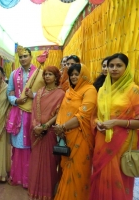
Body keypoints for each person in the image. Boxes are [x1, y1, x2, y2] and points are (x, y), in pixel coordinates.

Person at [90, 53, 139, 200]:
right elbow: (95, 115)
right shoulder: (103, 90)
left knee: (119, 177)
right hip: (102, 139)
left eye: (119, 65)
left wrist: (116, 122)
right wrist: (97, 122)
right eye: (111, 65)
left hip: (122, 142)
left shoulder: (134, 90)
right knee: (101, 175)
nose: (114, 69)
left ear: (126, 67)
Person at [53, 64, 97, 200]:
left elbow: (83, 116)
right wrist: (59, 128)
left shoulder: (90, 90)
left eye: (77, 74)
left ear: (84, 74)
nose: (73, 77)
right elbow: (61, 111)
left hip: (81, 137)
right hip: (65, 137)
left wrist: (62, 127)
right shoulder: (69, 91)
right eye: (71, 74)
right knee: (66, 170)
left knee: (78, 171)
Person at [6, 45, 44, 188]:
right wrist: (15, 100)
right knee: (18, 145)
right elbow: (9, 91)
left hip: (34, 114)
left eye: (25, 56)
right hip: (18, 113)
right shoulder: (14, 73)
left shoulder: (40, 73)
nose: (22, 59)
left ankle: (31, 178)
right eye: (20, 57)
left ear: (31, 57)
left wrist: (33, 96)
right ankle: (18, 176)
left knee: (31, 145)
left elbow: (46, 92)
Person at [28, 66, 65, 199]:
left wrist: (45, 126)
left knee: (49, 163)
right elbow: (33, 111)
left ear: (56, 77)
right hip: (36, 132)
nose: (47, 76)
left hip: (49, 132)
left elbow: (59, 113)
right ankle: (34, 190)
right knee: (36, 161)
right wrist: (35, 126)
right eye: (45, 74)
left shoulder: (61, 94)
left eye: (50, 74)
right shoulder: (39, 91)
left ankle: (46, 192)